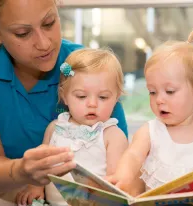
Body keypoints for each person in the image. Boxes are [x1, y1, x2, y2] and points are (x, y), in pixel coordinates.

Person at [0, 0, 128, 205]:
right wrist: (22, 172)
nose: (44, 43)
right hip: (8, 182)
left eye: (49, 23)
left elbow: (120, 167)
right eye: (22, 33)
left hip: (86, 193)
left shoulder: (85, 68)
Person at [107, 26, 193, 206]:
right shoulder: (150, 131)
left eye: (169, 91)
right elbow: (133, 156)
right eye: (152, 92)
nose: (159, 100)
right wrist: (122, 176)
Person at [15, 48, 128, 206]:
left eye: (103, 97)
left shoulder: (112, 135)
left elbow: (116, 184)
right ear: (64, 96)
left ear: (116, 98)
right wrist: (36, 187)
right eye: (81, 96)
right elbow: (41, 166)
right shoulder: (55, 128)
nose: (92, 104)